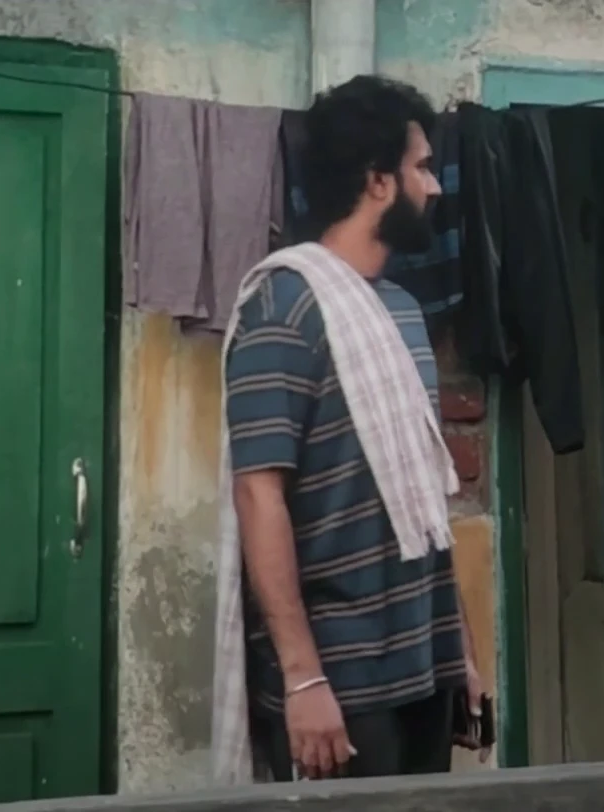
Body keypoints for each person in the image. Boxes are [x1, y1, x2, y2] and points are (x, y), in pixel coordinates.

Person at [224, 74, 484, 781]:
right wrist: (303, 678)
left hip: (422, 668)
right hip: (338, 685)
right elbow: (258, 495)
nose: (434, 187)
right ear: (377, 181)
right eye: (421, 168)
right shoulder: (283, 308)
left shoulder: (401, 312)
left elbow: (424, 502)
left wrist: (459, 653)